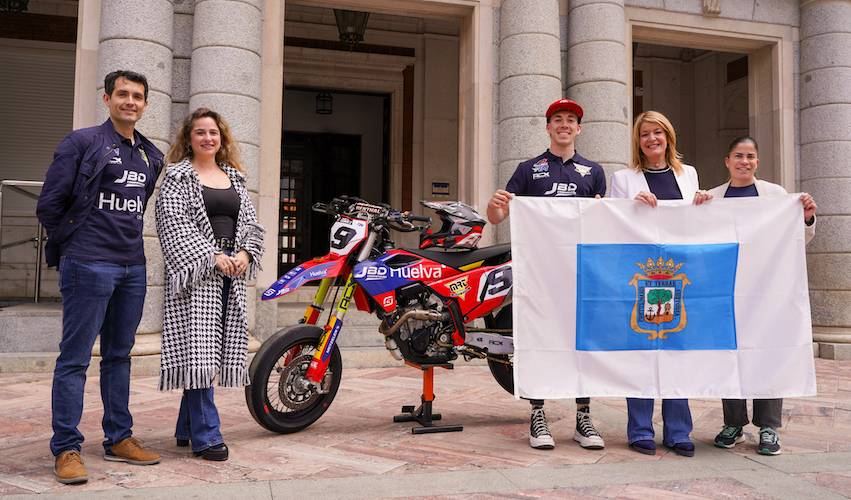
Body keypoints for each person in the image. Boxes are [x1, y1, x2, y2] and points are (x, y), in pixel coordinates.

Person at [36, 70, 164, 485]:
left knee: (119, 356)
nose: (130, 101)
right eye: (122, 94)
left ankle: (119, 438)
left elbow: (137, 206)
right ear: (106, 98)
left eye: (138, 96)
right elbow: (50, 204)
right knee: (74, 358)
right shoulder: (82, 143)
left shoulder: (150, 156)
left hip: (132, 266)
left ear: (145, 104)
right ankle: (67, 448)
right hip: (88, 263)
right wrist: (75, 246)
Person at [487, 98, 607, 450]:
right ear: (548, 127)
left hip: (580, 274)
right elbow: (498, 217)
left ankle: (583, 418)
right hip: (537, 276)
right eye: (558, 119)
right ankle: (537, 415)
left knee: (582, 343)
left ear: (579, 128)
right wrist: (495, 208)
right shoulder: (528, 169)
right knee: (537, 341)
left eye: (571, 119)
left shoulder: (594, 171)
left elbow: (605, 225)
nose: (564, 124)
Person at [155, 108, 264, 462]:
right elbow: (172, 223)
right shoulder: (177, 176)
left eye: (213, 133)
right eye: (200, 132)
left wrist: (246, 252)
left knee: (212, 352)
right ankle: (207, 436)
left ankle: (187, 427)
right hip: (197, 276)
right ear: (189, 138)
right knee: (200, 352)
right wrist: (211, 255)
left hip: (231, 274)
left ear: (222, 138)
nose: (207, 138)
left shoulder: (234, 177)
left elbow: (251, 223)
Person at [610, 110, 713, 457]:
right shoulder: (623, 178)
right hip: (640, 275)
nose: (652, 139)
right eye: (645, 134)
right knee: (640, 349)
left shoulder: (690, 175)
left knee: (676, 350)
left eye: (658, 133)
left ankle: (678, 430)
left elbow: (698, 225)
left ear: (669, 137)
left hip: (680, 275)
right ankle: (639, 429)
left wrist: (702, 204)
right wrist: (629, 207)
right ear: (638, 142)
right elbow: (608, 225)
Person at [708, 136, 816, 456]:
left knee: (769, 353)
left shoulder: (776, 196)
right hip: (727, 290)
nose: (745, 161)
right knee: (732, 354)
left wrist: (807, 216)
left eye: (751, 156)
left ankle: (768, 427)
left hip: (768, 290)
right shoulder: (712, 198)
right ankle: (734, 423)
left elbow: (797, 239)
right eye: (738, 156)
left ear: (758, 161)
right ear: (727, 161)